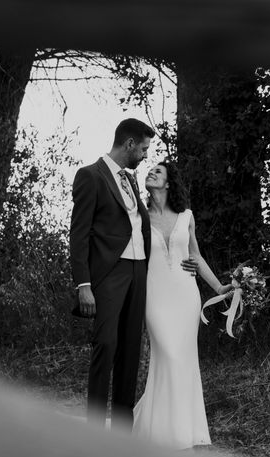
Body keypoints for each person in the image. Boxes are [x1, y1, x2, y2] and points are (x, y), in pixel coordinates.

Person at [69, 119, 197, 431]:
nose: (144, 155)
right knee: (107, 345)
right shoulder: (91, 176)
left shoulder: (130, 180)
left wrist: (182, 258)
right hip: (110, 274)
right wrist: (83, 284)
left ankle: (123, 432)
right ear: (128, 144)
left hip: (140, 273)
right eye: (142, 148)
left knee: (130, 350)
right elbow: (79, 234)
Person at [133, 160, 232, 450]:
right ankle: (160, 431)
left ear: (168, 183)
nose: (151, 173)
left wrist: (218, 287)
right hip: (155, 295)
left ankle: (180, 432)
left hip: (185, 295)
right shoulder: (138, 217)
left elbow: (196, 256)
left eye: (158, 171)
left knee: (182, 360)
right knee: (167, 355)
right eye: (150, 171)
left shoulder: (185, 215)